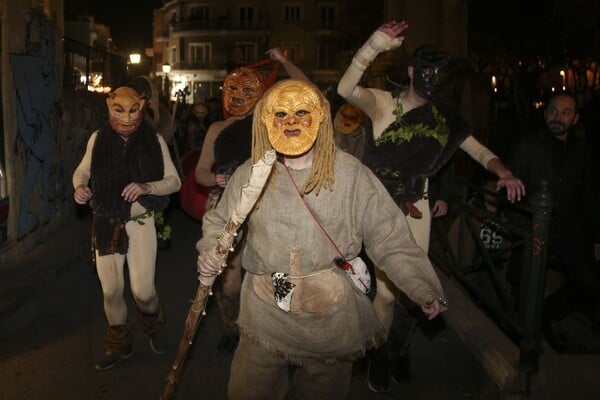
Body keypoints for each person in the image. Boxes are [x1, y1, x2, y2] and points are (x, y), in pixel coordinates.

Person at [196, 78, 445, 400]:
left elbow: (389, 234)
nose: (291, 122)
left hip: (329, 315)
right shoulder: (252, 172)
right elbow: (220, 220)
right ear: (266, 120)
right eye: (280, 114)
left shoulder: (350, 174)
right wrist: (211, 249)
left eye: (301, 112)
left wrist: (420, 284)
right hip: (265, 311)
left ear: (320, 116)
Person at [337, 20, 525, 392]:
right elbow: (345, 88)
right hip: (374, 204)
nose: (432, 79)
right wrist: (375, 44)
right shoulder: (382, 103)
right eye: (426, 71)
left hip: (414, 207)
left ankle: (396, 349)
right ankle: (376, 352)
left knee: (405, 290)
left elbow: (477, 150)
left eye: (440, 74)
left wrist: (502, 171)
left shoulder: (444, 120)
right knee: (376, 290)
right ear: (411, 71)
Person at [193, 47, 308, 351]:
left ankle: (279, 333)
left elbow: (307, 94)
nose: (239, 94)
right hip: (227, 207)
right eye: (232, 88)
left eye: (247, 89)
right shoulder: (217, 128)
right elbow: (201, 172)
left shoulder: (271, 124)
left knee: (275, 273)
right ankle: (233, 332)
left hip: (268, 206)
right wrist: (215, 179)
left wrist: (284, 62)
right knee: (228, 284)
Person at [72, 86, 181, 370]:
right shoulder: (98, 139)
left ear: (142, 106)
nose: (126, 117)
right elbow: (82, 171)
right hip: (106, 221)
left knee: (143, 292)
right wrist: (80, 186)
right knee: (111, 291)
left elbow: (174, 181)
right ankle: (119, 344)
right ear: (108, 105)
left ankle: (154, 325)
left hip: (140, 222)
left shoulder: (154, 139)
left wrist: (147, 187)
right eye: (118, 109)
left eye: (133, 110)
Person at [506, 91, 600, 350]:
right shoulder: (527, 146)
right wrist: (523, 229)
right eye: (553, 111)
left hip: (568, 230)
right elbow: (509, 194)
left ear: (576, 118)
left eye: (566, 112)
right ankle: (525, 343)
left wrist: (595, 238)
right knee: (524, 289)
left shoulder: (582, 151)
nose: (558, 117)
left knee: (589, 282)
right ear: (545, 113)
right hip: (531, 229)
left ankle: (548, 314)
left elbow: (588, 196)